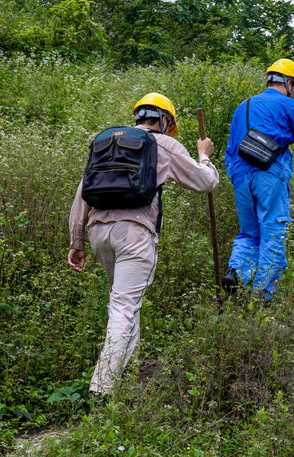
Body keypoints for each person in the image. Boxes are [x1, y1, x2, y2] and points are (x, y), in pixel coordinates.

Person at [68, 93, 219, 396]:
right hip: (134, 234)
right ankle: (102, 388)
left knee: (125, 302)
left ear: (138, 117)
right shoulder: (164, 143)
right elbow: (205, 182)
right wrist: (204, 154)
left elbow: (81, 192)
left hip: (99, 233)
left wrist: (77, 241)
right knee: (124, 307)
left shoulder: (107, 143)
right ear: (165, 120)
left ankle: (128, 372)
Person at [222, 59, 294, 300]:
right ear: (290, 83)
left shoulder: (244, 106)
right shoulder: (288, 105)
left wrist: (238, 177)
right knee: (273, 234)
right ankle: (263, 296)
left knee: (249, 233)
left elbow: (230, 151)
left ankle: (236, 272)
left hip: (240, 177)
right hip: (270, 175)